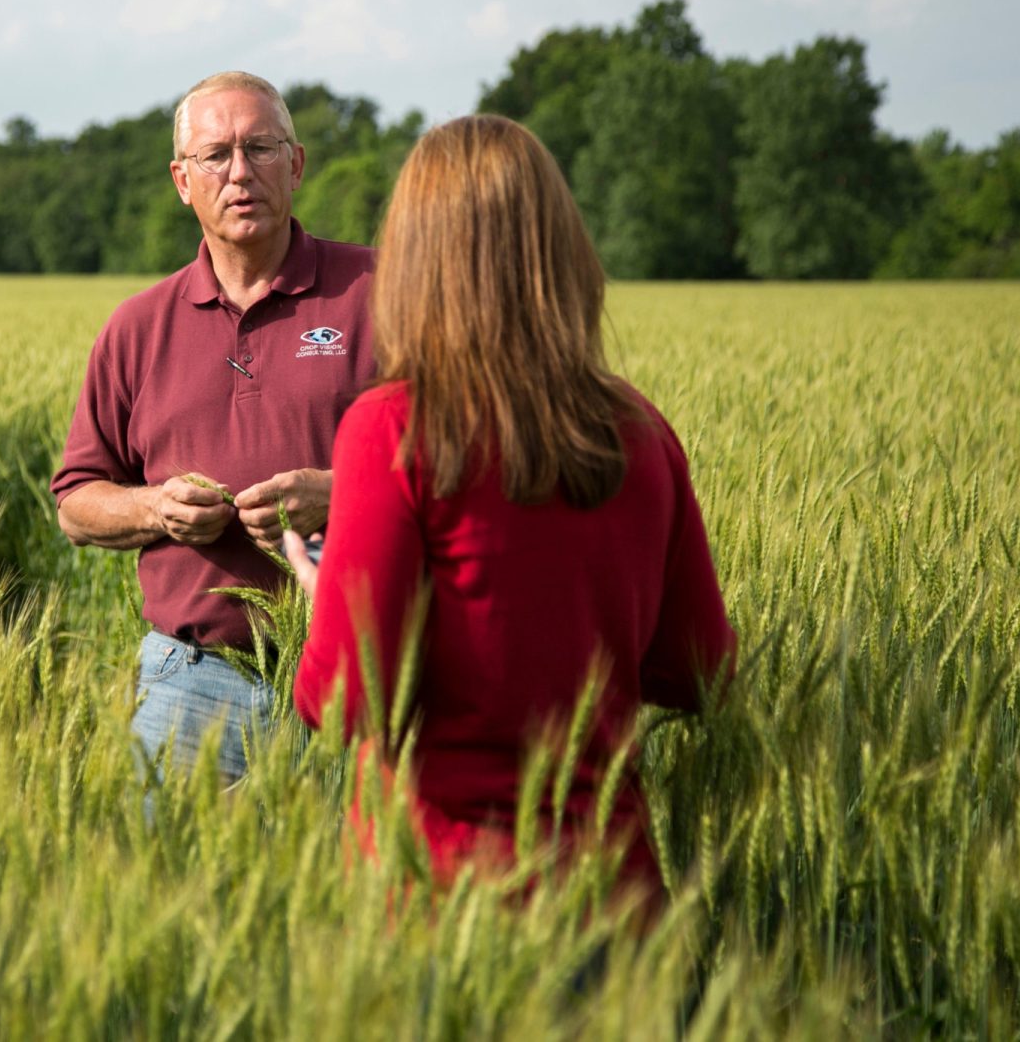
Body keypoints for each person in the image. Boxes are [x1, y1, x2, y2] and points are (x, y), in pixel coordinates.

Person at [279, 114, 735, 910]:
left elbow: (351, 702)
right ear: (563, 255)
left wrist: (327, 604)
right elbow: (697, 671)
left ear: (416, 263)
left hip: (447, 903)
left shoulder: (394, 428)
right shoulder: (640, 430)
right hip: (613, 898)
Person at [51, 71, 378, 784]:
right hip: (190, 683)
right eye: (215, 155)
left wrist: (346, 493)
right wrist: (155, 507)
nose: (240, 173)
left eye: (261, 149)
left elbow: (462, 456)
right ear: (181, 179)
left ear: (296, 165)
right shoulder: (136, 328)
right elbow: (76, 501)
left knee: (347, 895)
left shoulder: (382, 293)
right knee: (169, 889)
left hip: (359, 677)